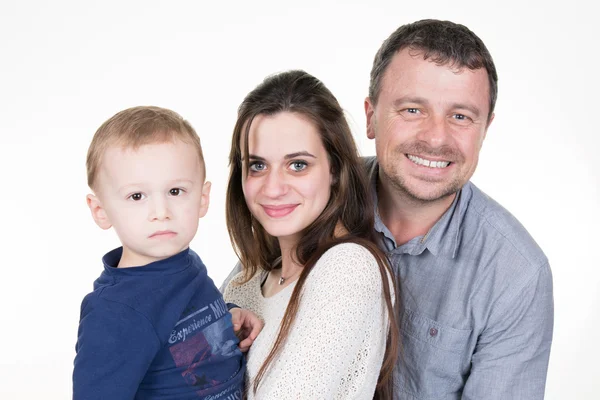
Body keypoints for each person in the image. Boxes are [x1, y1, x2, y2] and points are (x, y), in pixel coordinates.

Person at [223, 19, 554, 399]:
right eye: (412, 109)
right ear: (370, 116)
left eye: (461, 116)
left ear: (485, 129)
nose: (435, 137)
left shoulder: (517, 275)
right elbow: (243, 296)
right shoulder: (311, 191)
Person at [222, 70, 399, 399]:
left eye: (298, 165)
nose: (273, 188)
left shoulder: (348, 268)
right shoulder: (244, 284)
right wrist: (211, 329)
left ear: (334, 170)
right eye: (257, 165)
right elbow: (170, 381)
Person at [73, 106, 262, 399]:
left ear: (202, 198)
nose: (161, 212)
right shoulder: (115, 313)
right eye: (137, 196)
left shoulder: (184, 263)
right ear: (100, 211)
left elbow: (182, 328)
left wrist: (227, 318)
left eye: (175, 191)